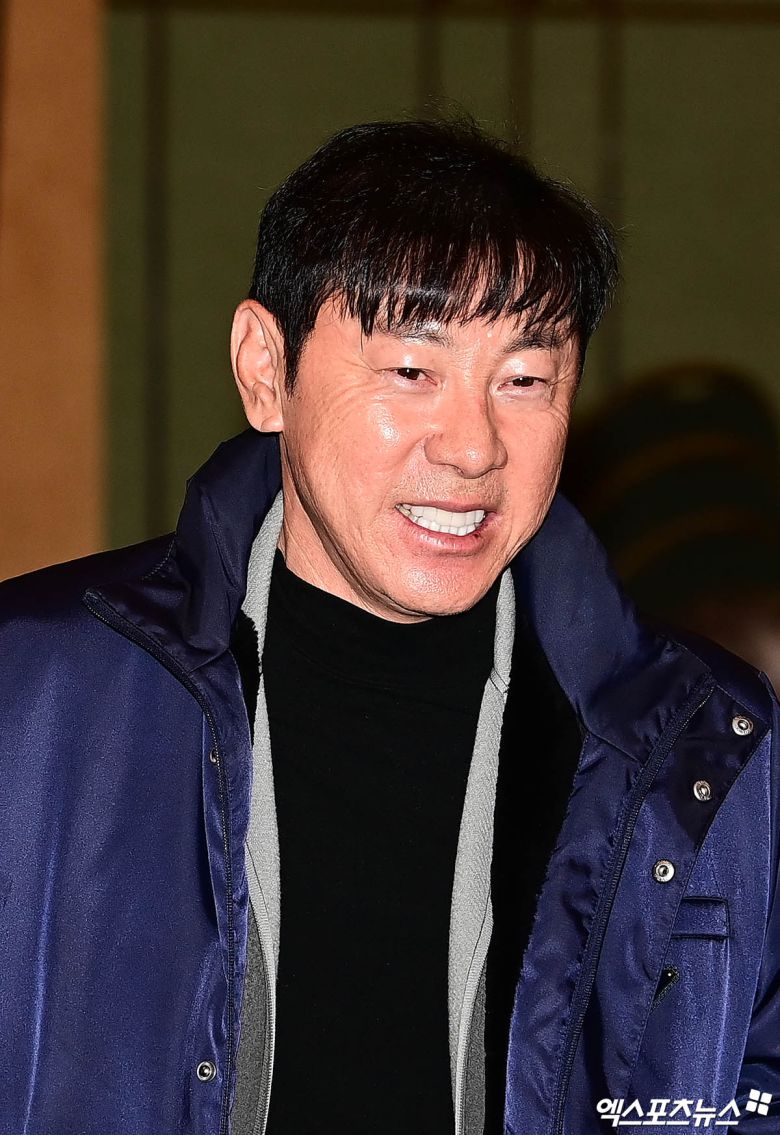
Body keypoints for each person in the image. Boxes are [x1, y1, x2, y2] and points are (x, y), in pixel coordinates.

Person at [0, 119, 777, 1135]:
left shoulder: (703, 739)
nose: (472, 447)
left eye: (525, 380)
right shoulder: (34, 694)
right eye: (413, 370)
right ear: (265, 368)